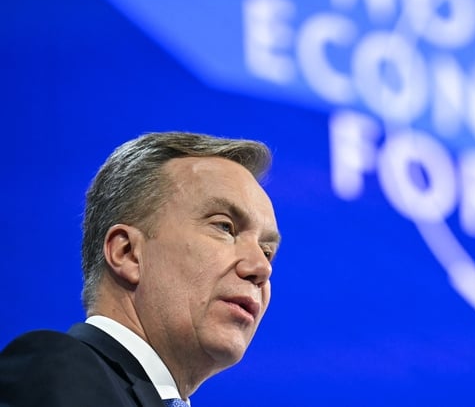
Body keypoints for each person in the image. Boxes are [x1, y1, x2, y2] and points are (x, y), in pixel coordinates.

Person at [0, 132, 281, 406]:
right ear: (127, 253)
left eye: (267, 252)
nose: (261, 268)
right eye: (225, 227)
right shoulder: (58, 371)